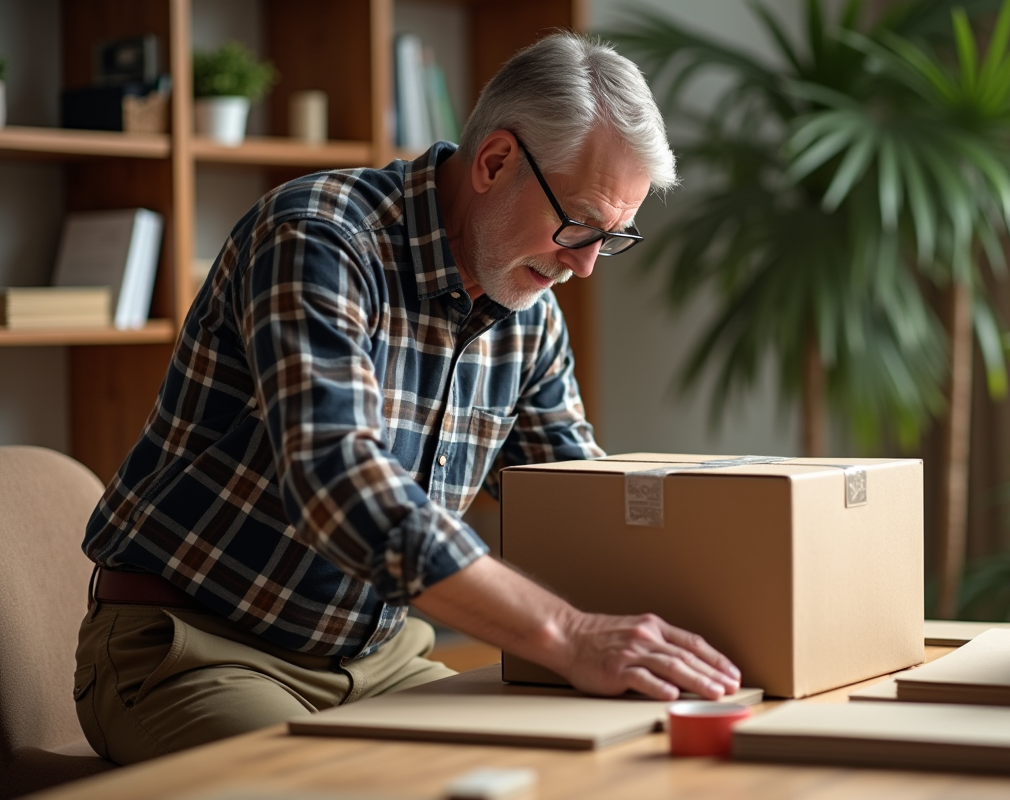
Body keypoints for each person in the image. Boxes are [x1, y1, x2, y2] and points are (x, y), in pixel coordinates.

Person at [74, 32, 741, 766]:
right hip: (200, 647)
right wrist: (569, 636)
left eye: (611, 239)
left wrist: (715, 628)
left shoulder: (530, 313)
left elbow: (574, 503)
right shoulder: (319, 236)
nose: (584, 267)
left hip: (384, 661)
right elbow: (338, 481)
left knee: (562, 771)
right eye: (579, 224)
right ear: (494, 162)